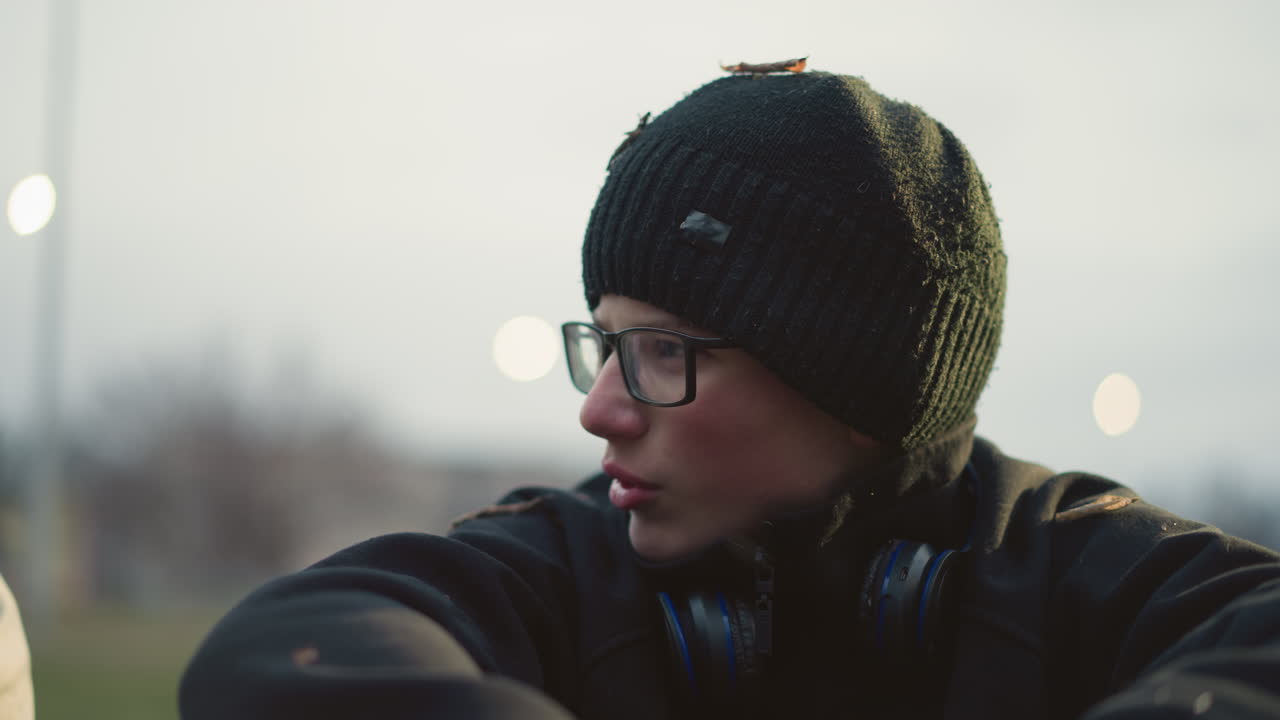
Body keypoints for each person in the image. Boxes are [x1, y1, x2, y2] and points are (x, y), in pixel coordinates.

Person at [179, 65, 1280, 719]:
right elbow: (284, 647)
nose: (598, 408)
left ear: (853, 383)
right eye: (600, 346)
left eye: (659, 354)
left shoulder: (1069, 565)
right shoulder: (574, 562)